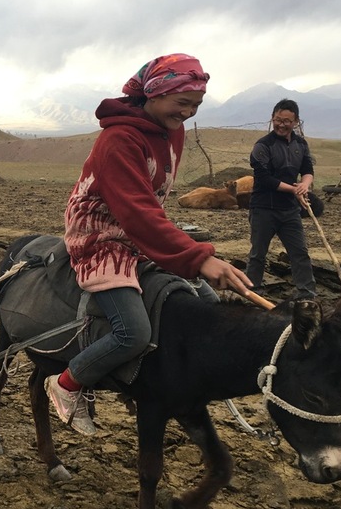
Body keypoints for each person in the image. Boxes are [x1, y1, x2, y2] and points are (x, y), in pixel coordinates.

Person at [48, 54, 254, 436]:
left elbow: (146, 210)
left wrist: (190, 258)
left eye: (197, 105)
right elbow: (137, 212)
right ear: (155, 94)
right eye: (183, 103)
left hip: (138, 231)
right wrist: (198, 257)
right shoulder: (119, 140)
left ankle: (164, 378)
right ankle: (67, 384)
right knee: (133, 332)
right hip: (100, 235)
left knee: (206, 303)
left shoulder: (169, 129)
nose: (189, 113)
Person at [245, 99, 318, 299]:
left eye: (287, 121)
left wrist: (304, 185)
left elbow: (307, 170)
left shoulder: (300, 144)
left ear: (296, 122)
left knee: (299, 253)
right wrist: (294, 190)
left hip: (289, 210)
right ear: (272, 118)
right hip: (263, 208)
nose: (281, 124)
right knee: (258, 254)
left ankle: (306, 293)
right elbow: (265, 179)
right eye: (278, 119)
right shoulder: (262, 145)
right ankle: (252, 291)